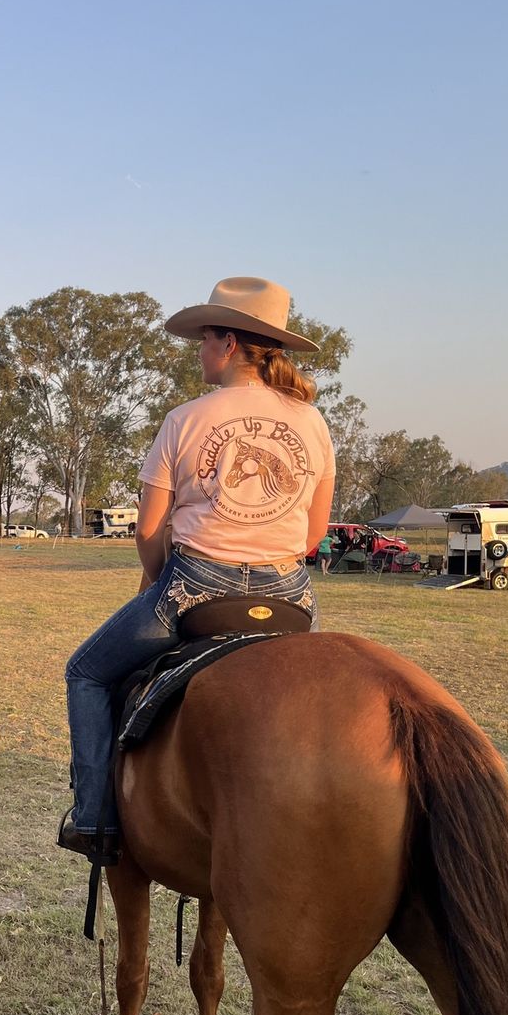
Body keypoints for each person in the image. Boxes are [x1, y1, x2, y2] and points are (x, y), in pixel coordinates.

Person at [58, 276, 336, 859]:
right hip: (289, 595)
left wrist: (155, 576)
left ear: (228, 343)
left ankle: (94, 818)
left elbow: (148, 529)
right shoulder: (313, 423)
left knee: (85, 672)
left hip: (196, 588)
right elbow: (312, 535)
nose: (199, 351)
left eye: (204, 339)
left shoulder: (184, 420)